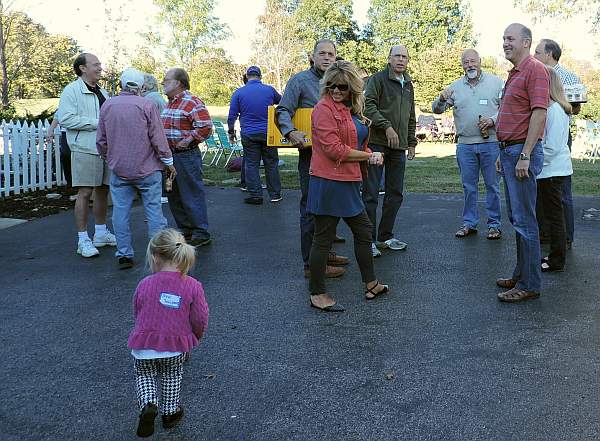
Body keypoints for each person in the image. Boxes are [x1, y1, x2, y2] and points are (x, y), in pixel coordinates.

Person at [307, 60, 389, 312]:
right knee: (323, 239)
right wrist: (368, 156)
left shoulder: (347, 109)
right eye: (331, 86)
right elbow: (333, 150)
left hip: (349, 181)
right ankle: (317, 293)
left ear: (352, 88)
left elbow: (356, 140)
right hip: (329, 182)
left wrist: (369, 151)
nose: (336, 91)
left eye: (342, 87)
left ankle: (371, 283)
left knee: (364, 232)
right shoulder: (323, 109)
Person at [276, 39, 348, 278]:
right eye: (322, 53)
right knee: (310, 208)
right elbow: (283, 110)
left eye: (331, 53)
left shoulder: (340, 81)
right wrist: (289, 131)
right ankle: (311, 266)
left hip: (337, 154)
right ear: (313, 56)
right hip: (311, 156)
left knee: (329, 207)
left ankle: (324, 254)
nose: (327, 57)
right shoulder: (300, 81)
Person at [127, 228, 209, 437]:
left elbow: (138, 311)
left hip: (144, 343)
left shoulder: (145, 283)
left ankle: (148, 403)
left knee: (144, 374)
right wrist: (194, 337)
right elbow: (200, 317)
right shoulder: (192, 285)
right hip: (175, 345)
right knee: (173, 374)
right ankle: (170, 413)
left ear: (155, 257)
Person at [96, 68, 176, 270]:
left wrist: (110, 158)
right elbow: (158, 138)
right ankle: (159, 256)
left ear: (121, 85)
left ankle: (124, 254)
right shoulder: (147, 105)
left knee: (120, 213)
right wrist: (168, 162)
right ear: (141, 86)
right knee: (154, 212)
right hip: (148, 169)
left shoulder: (108, 105)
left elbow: (101, 141)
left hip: (119, 169)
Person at [495, 23, 549, 303]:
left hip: (521, 154)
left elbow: (539, 114)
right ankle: (521, 272)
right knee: (517, 218)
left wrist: (525, 155)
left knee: (525, 220)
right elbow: (511, 116)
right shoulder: (515, 73)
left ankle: (530, 283)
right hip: (509, 152)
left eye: (510, 39)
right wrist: (502, 153)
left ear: (526, 42)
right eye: (504, 38)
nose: (505, 43)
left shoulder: (535, 70)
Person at [432, 49, 504, 240]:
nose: (470, 65)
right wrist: (440, 99)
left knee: (492, 186)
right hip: (465, 145)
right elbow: (437, 110)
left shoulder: (496, 83)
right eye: (466, 62)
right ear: (462, 65)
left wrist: (493, 120)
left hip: (491, 143)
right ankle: (469, 223)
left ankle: (494, 225)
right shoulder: (455, 87)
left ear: (480, 61)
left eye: (473, 61)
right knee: (468, 186)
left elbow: (507, 108)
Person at [57, 53, 116, 258]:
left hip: (104, 150)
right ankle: (83, 239)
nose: (100, 68)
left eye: (100, 64)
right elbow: (66, 119)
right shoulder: (72, 91)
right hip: (84, 148)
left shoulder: (103, 92)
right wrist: (98, 122)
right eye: (96, 65)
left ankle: (100, 233)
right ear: (82, 68)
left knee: (102, 190)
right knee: (84, 192)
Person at [363, 45, 417, 258]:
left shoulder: (409, 84)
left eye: (404, 56)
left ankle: (384, 237)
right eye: (397, 56)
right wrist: (386, 126)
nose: (401, 60)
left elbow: (410, 115)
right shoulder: (377, 80)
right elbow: (368, 107)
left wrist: (411, 142)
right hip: (377, 143)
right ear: (389, 58)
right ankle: (367, 240)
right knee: (371, 193)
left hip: (399, 146)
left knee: (395, 193)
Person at [534, 39, 581, 249]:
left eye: (537, 52)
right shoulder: (537, 73)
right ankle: (546, 232)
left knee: (561, 191)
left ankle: (565, 237)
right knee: (543, 189)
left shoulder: (568, 76)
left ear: (549, 54)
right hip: (544, 132)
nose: (534, 55)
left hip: (557, 134)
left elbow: (576, 107)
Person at [161, 68, 213, 247]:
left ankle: (200, 232)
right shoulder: (169, 103)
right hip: (169, 157)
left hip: (186, 156)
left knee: (191, 193)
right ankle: (186, 230)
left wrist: (188, 140)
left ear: (178, 83)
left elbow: (205, 127)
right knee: (173, 194)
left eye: (166, 80)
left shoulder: (192, 102)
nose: (162, 83)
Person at [227, 65, 282, 204]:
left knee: (251, 164)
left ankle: (256, 195)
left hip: (249, 134)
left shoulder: (239, 93)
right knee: (271, 164)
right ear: (260, 76)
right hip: (268, 133)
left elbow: (232, 115)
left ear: (247, 76)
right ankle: (275, 195)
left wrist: (231, 132)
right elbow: (282, 102)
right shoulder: (269, 90)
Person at [537, 67, 573, 272]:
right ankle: (554, 255)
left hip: (552, 172)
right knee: (552, 215)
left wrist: (534, 159)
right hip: (549, 171)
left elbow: (551, 147)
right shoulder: (552, 108)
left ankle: (557, 259)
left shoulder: (556, 111)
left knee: (554, 216)